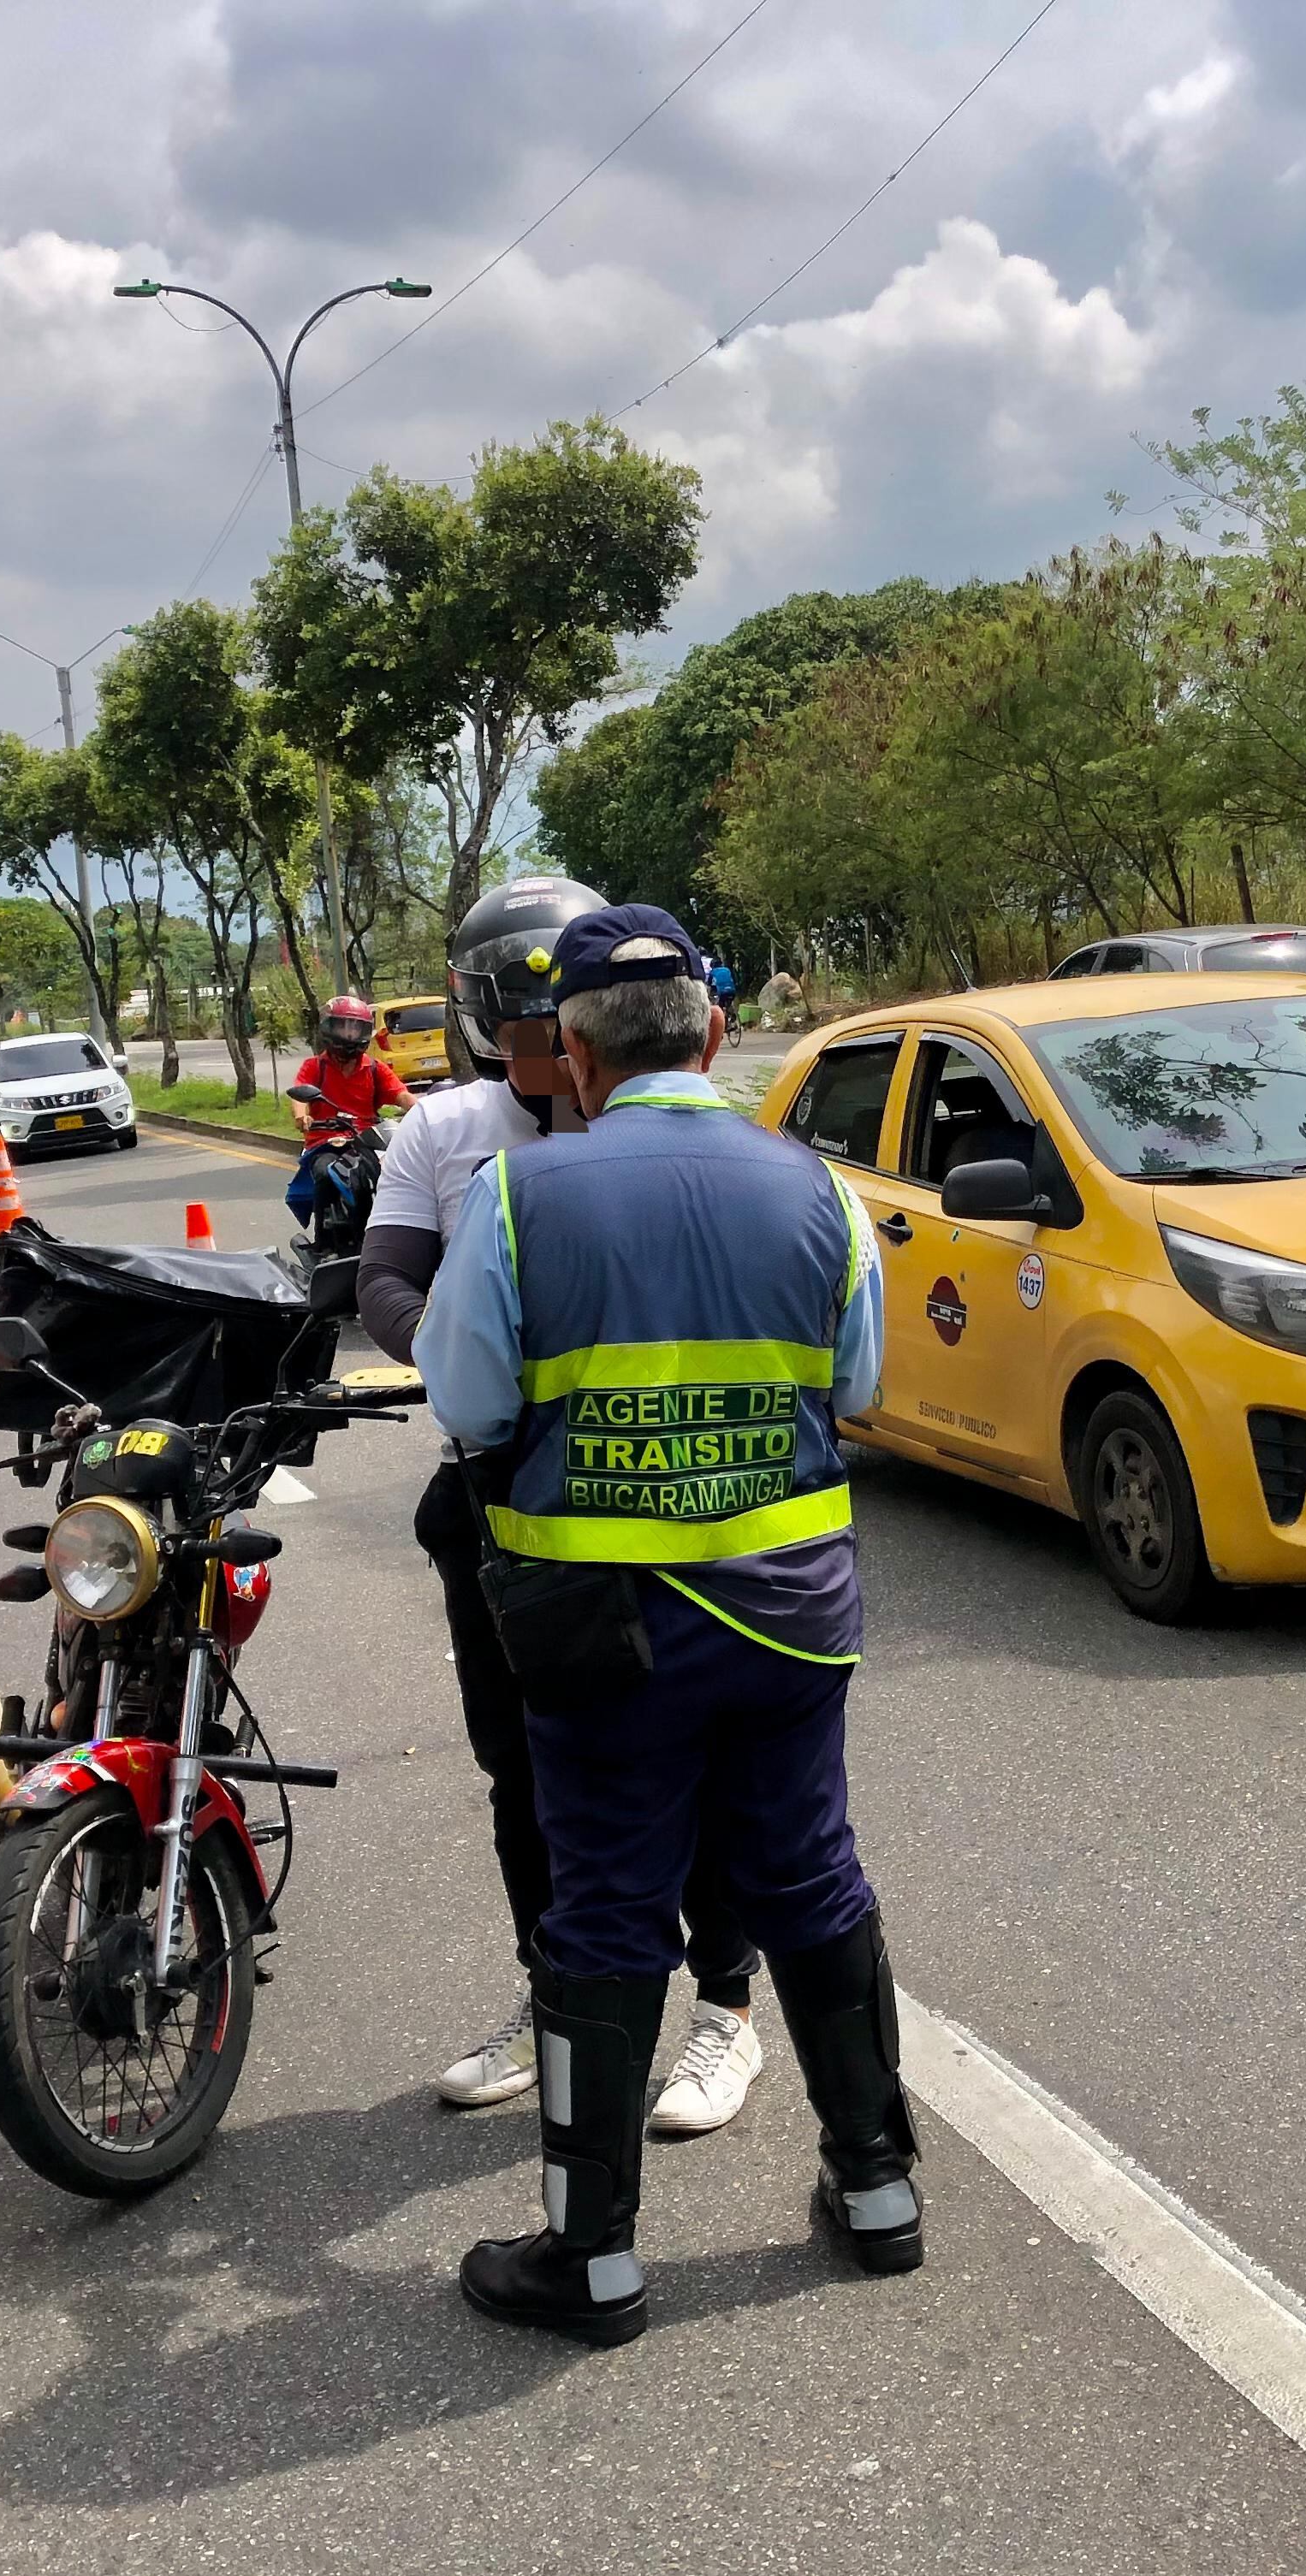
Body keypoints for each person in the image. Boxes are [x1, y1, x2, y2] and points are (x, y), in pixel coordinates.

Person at [418, 902, 917, 2348]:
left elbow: (469, 1406)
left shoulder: (521, 1199)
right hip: (788, 1613)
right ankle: (877, 2190)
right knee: (811, 1877)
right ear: (711, 1031)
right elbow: (861, 1387)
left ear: (570, 1055)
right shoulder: (815, 1189)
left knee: (607, 1911)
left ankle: (595, 2255)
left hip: (607, 1634)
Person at [359, 879, 769, 2139]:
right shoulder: (445, 1132)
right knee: (522, 1767)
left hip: (653, 1493)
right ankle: (555, 1998)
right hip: (498, 1504)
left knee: (691, 1760)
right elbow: (386, 1279)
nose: (546, 1045)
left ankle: (725, 2010)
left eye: (563, 1019)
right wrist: (453, 1347)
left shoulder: (671, 1140)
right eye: (522, 1020)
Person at [285, 993, 411, 1231]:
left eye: (355, 1029)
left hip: (367, 1140)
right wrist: (302, 1116)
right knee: (325, 1172)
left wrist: (428, 1113)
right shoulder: (315, 1067)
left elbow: (403, 1096)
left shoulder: (375, 1069)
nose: (350, 1035)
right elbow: (299, 1097)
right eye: (344, 1027)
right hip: (326, 1142)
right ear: (329, 1028)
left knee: (395, 1175)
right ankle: (321, 1236)